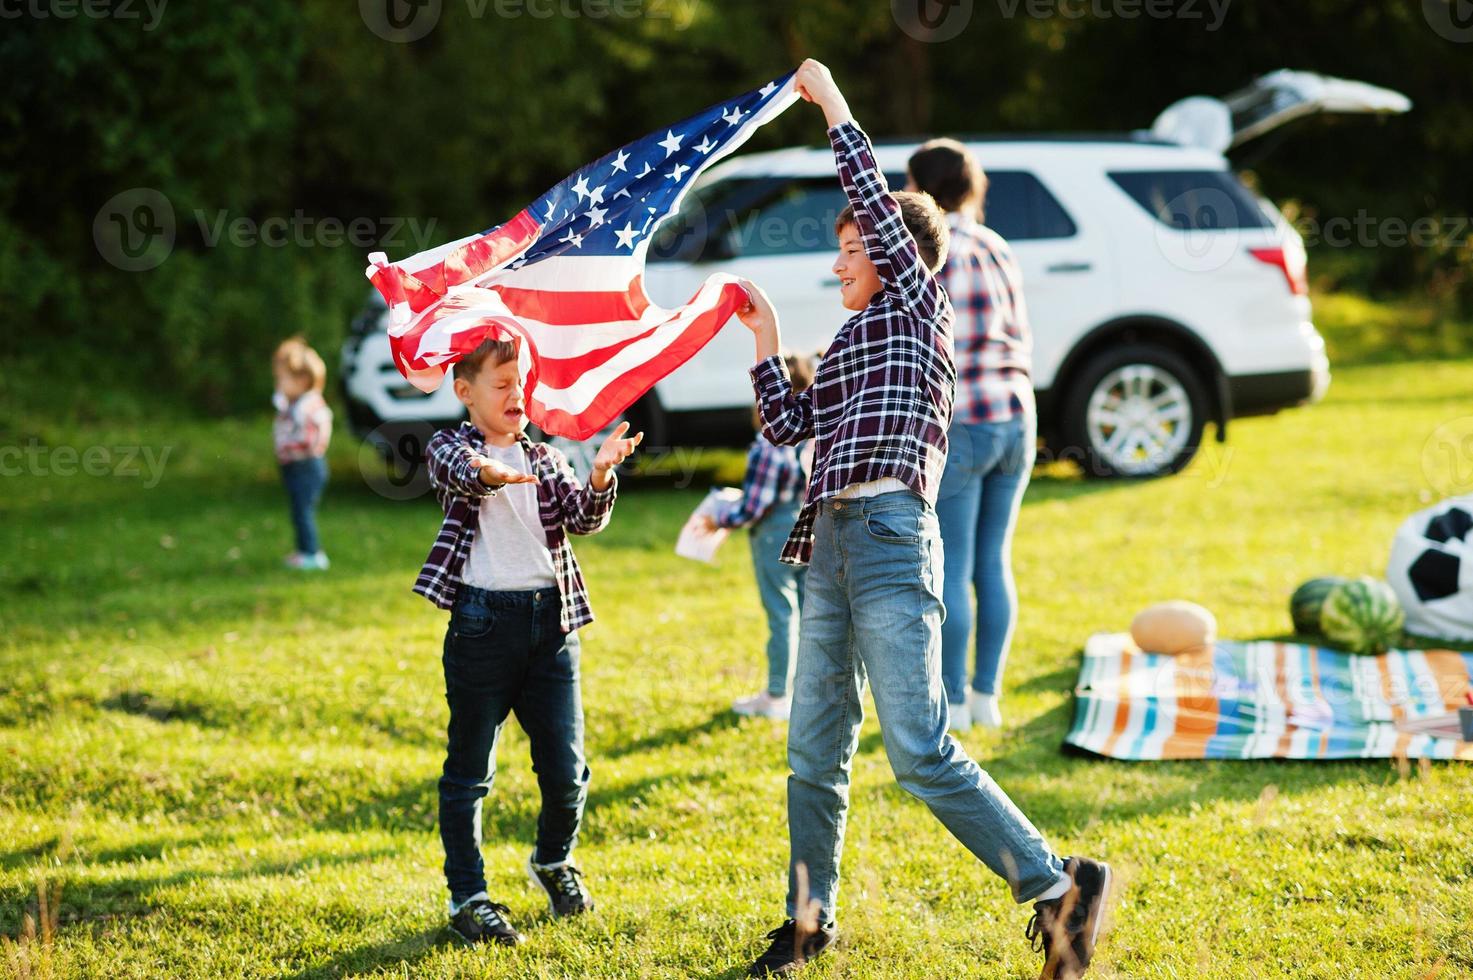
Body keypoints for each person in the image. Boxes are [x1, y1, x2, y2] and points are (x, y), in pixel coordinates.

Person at [733, 60, 1111, 979]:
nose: (839, 262)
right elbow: (791, 430)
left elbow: (869, 189)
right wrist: (763, 342)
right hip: (826, 543)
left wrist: (832, 105)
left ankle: (1058, 885)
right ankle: (807, 920)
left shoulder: (916, 307)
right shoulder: (852, 337)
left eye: (851, 249)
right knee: (812, 751)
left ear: (897, 256)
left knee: (918, 749)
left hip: (893, 540)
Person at [417, 336, 643, 947]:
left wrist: (598, 473)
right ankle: (469, 898)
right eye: (501, 384)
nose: (517, 394)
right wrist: (487, 471)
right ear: (464, 393)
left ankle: (552, 861)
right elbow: (457, 473)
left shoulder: (546, 458)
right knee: (470, 772)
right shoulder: (450, 447)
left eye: (522, 382)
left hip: (553, 627)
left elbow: (583, 518)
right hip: (482, 625)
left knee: (567, 772)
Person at [906, 138, 1035, 731]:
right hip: (1016, 413)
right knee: (993, 559)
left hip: (960, 420)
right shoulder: (997, 244)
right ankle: (987, 697)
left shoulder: (930, 249)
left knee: (951, 564)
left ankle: (953, 701)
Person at [706, 351, 816, 721]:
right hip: (810, 530)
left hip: (775, 536)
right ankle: (808, 690)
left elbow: (754, 506)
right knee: (809, 614)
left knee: (781, 615)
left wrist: (721, 516)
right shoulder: (813, 434)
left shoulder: (769, 443)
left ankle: (776, 695)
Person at [271, 337, 333, 571]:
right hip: (294, 465)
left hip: (307, 465)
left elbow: (323, 423)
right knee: (298, 510)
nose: (278, 384)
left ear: (302, 380)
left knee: (303, 511)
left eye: (282, 379)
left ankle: (313, 554)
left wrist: (310, 446)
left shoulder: (309, 404)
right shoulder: (292, 402)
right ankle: (303, 551)